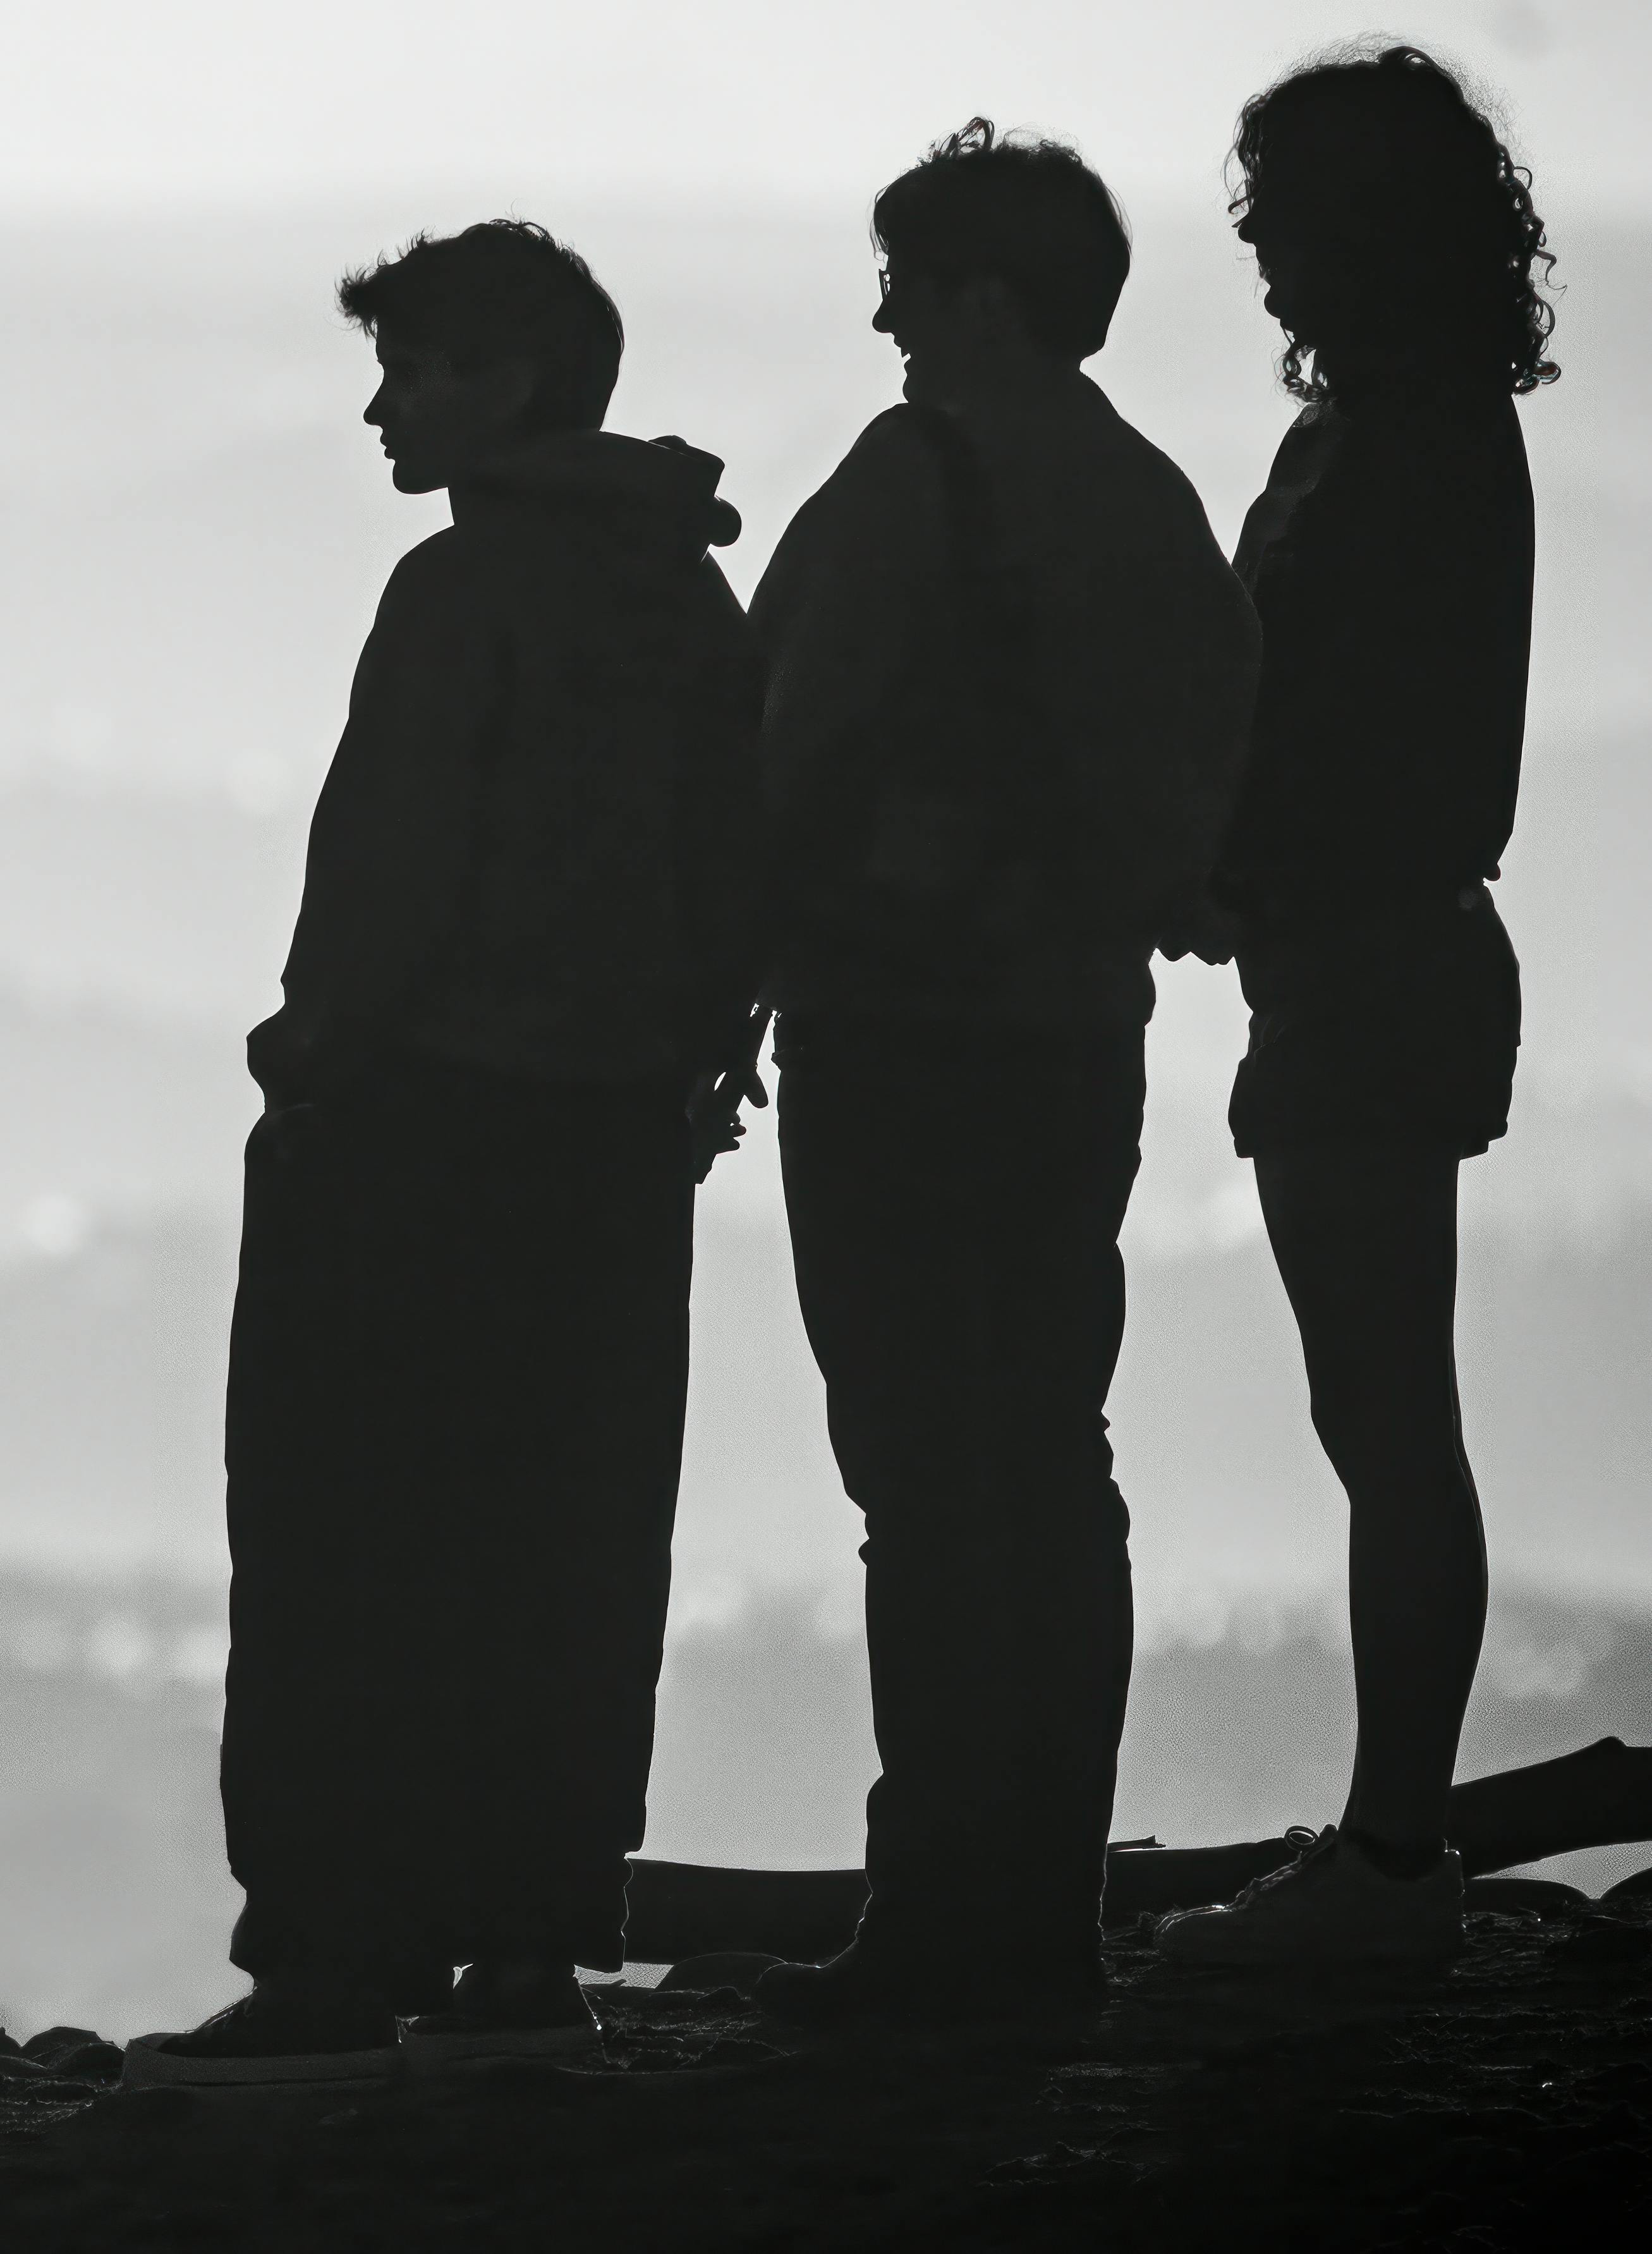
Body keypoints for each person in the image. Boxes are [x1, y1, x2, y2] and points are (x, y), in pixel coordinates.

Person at [124, 221, 762, 2085]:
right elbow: (745, 867)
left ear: (511, 383)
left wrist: (306, 1062)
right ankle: (530, 1939)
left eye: (413, 369)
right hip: (620, 1145)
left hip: (423, 1131)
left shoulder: (460, 591)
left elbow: (391, 882)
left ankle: (333, 1957)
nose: (385, 406)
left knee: (354, 1544)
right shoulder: (685, 597)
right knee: (566, 1537)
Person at [745, 121, 1260, 2023]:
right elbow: (1213, 764)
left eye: (905, 274)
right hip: (1073, 1041)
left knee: (919, 1471)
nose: (882, 310)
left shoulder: (911, 479)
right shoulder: (1148, 496)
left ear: (976, 295)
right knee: (1052, 1452)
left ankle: (936, 1911)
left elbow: (773, 750)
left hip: (895, 1036)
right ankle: (1040, 1900)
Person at [1156, 45, 1558, 1968]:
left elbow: (1355, 720)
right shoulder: (1423, 421)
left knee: (1388, 1417)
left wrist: (1227, 858)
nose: (1259, 259)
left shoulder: (1400, 438)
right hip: (1363, 955)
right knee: (1383, 1411)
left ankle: (1396, 1853)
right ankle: (1394, 1834)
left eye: (1280, 220)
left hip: (1365, 960)